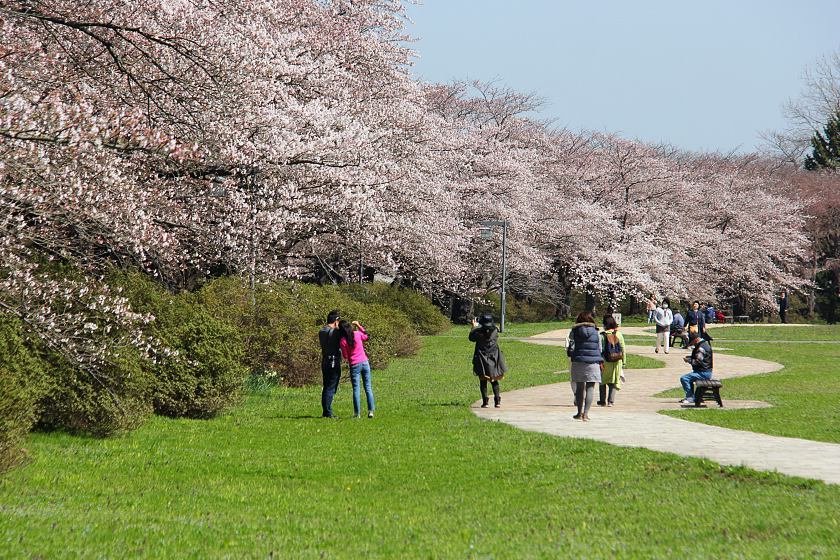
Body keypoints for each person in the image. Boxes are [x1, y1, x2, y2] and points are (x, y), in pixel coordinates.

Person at [566, 311, 602, 421]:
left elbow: (571, 343)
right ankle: (586, 414)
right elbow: (600, 348)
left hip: (578, 361)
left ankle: (579, 412)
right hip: (593, 362)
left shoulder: (574, 331)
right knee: (590, 388)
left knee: (580, 388)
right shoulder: (596, 332)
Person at [338, 319, 375, 418]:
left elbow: (345, 356)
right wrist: (359, 325)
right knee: (368, 387)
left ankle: (357, 413)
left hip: (354, 365)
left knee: (356, 389)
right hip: (365, 362)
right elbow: (366, 336)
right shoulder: (357, 334)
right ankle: (371, 411)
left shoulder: (343, 341)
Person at [469, 313, 507, 408]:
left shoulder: (478, 333)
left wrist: (473, 327)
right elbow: (493, 327)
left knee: (483, 381)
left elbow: (471, 338)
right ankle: (497, 401)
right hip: (494, 358)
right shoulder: (495, 331)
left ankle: (485, 402)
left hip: (482, 358)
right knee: (494, 380)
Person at [597, 315, 626, 407]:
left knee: (602, 381)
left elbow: (599, 349)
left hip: (605, 361)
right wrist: (623, 361)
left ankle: (602, 401)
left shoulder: (602, 335)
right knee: (613, 381)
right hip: (616, 360)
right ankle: (611, 401)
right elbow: (623, 348)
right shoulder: (618, 334)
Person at [678, 332, 714, 404]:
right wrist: (690, 357)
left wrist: (688, 360)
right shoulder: (702, 345)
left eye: (691, 342)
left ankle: (690, 397)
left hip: (704, 373)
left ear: (696, 340)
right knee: (689, 378)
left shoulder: (701, 348)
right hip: (703, 371)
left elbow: (697, 361)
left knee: (684, 378)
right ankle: (690, 396)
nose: (691, 344)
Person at [318, 310, 342, 418]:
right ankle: (328, 412)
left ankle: (326, 410)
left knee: (326, 385)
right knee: (331, 386)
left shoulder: (322, 331)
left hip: (325, 360)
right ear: (336, 320)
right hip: (333, 360)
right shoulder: (334, 332)